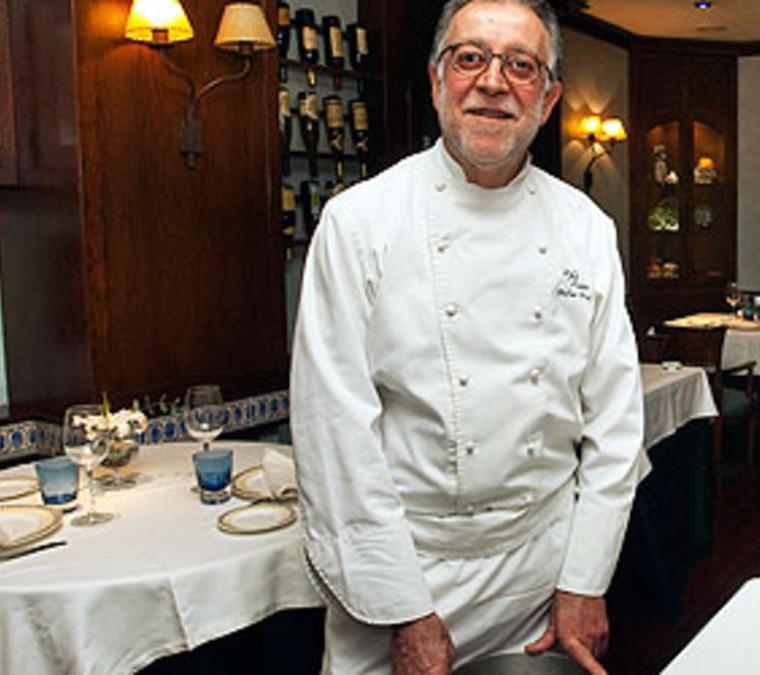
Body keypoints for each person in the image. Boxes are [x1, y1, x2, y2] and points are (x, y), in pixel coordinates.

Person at [289, 1, 644, 673]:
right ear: (435, 81)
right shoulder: (359, 221)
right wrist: (404, 608)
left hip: (541, 572)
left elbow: (617, 425)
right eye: (470, 57)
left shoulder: (587, 229)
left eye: (521, 65)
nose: (492, 81)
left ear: (548, 98)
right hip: (405, 575)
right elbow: (335, 428)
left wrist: (585, 578)